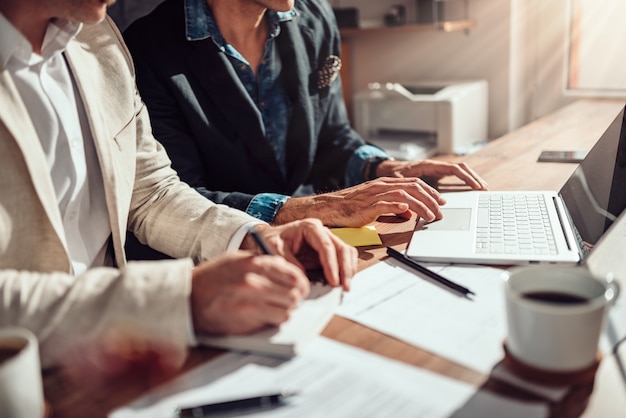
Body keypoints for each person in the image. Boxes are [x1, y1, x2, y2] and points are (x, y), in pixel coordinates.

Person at [0, 0, 357, 369]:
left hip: (119, 357)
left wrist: (252, 236)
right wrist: (177, 300)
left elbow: (150, 191)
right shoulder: (147, 42)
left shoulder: (97, 38)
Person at [122, 0, 488, 235]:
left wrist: (383, 168)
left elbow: (332, 137)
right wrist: (312, 208)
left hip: (317, 239)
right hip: (226, 263)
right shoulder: (147, 47)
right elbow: (177, 200)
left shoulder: (315, 16)